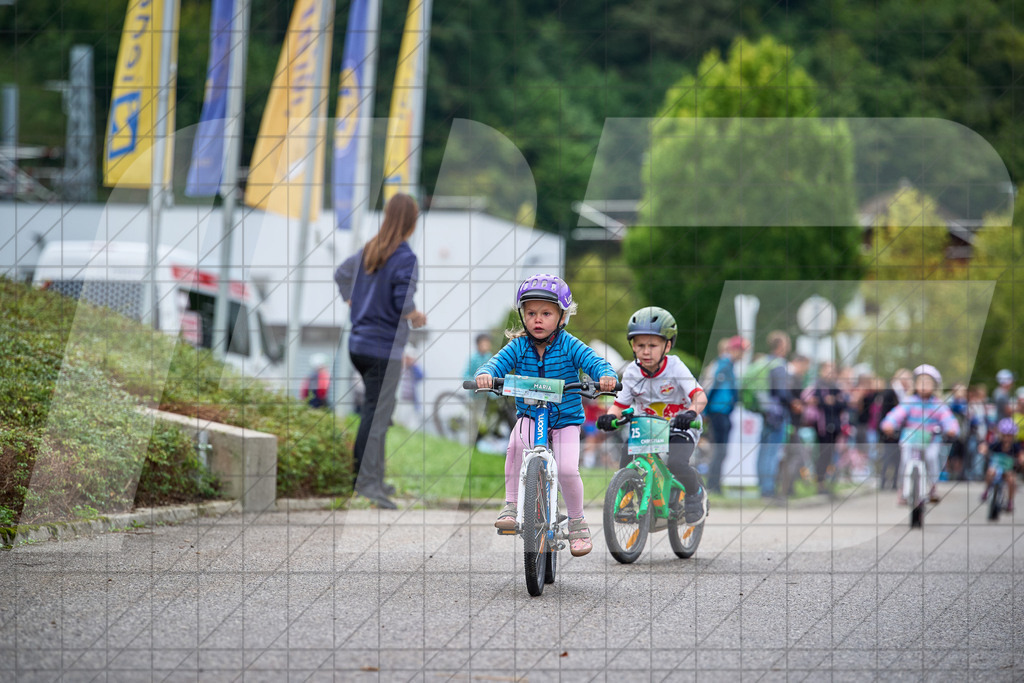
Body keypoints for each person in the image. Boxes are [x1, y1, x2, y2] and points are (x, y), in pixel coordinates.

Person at [475, 273, 617, 557]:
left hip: (565, 419)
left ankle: (577, 522)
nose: (537, 319)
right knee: (515, 445)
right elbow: (496, 362)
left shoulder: (569, 345)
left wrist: (606, 376)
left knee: (566, 469)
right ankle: (512, 505)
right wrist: (486, 374)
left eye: (546, 313)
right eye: (531, 313)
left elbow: (595, 361)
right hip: (530, 414)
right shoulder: (518, 346)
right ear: (522, 316)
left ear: (562, 317)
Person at [334, 193, 428, 509]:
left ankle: (373, 478)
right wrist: (416, 316)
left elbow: (341, 274)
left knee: (376, 416)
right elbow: (403, 302)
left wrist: (353, 300)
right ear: (412, 222)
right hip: (383, 350)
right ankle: (367, 485)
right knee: (376, 418)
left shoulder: (371, 249)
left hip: (358, 345)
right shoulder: (404, 257)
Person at [596, 306, 709, 525]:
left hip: (681, 426)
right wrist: (609, 416)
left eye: (652, 345)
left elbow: (700, 396)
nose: (646, 351)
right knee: (627, 455)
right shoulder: (631, 372)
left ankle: (695, 493)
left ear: (667, 345)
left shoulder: (675, 367)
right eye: (640, 345)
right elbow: (620, 405)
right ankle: (626, 500)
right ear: (632, 346)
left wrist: (691, 412)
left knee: (676, 462)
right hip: (647, 428)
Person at [880, 364, 959, 504]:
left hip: (931, 440)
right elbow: (896, 414)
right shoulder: (909, 401)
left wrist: (951, 428)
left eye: (928, 382)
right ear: (915, 384)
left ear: (935, 386)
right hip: (910, 439)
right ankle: (903, 490)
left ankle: (932, 487)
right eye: (921, 381)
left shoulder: (938, 404)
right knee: (904, 461)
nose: (924, 385)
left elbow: (948, 419)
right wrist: (889, 424)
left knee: (931, 458)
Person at [703, 335, 748, 494]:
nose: (743, 355)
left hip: (724, 412)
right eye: (742, 351)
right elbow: (710, 387)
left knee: (722, 450)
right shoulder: (722, 365)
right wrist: (705, 410)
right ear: (734, 350)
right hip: (718, 412)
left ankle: (716, 484)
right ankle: (713, 485)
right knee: (719, 450)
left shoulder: (729, 365)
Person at [756, 330, 796, 501]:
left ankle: (762, 487)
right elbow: (782, 392)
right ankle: (768, 490)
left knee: (764, 450)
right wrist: (793, 401)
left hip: (765, 413)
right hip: (777, 415)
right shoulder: (779, 365)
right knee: (772, 452)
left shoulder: (763, 362)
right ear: (780, 345)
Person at [876, 368, 912, 490]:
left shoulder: (907, 394)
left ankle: (895, 483)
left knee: (898, 458)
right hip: (890, 430)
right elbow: (884, 413)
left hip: (902, 431)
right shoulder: (890, 393)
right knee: (887, 457)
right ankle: (883, 482)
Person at [979, 418, 1023, 512]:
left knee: (1012, 480)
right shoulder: (997, 444)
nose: (1006, 438)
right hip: (996, 468)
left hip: (1008, 471)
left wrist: (1021, 459)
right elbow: (986, 446)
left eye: (1009, 436)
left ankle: (1010, 501)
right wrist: (983, 449)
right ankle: (986, 490)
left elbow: (1021, 455)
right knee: (990, 472)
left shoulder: (1015, 447)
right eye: (1004, 435)